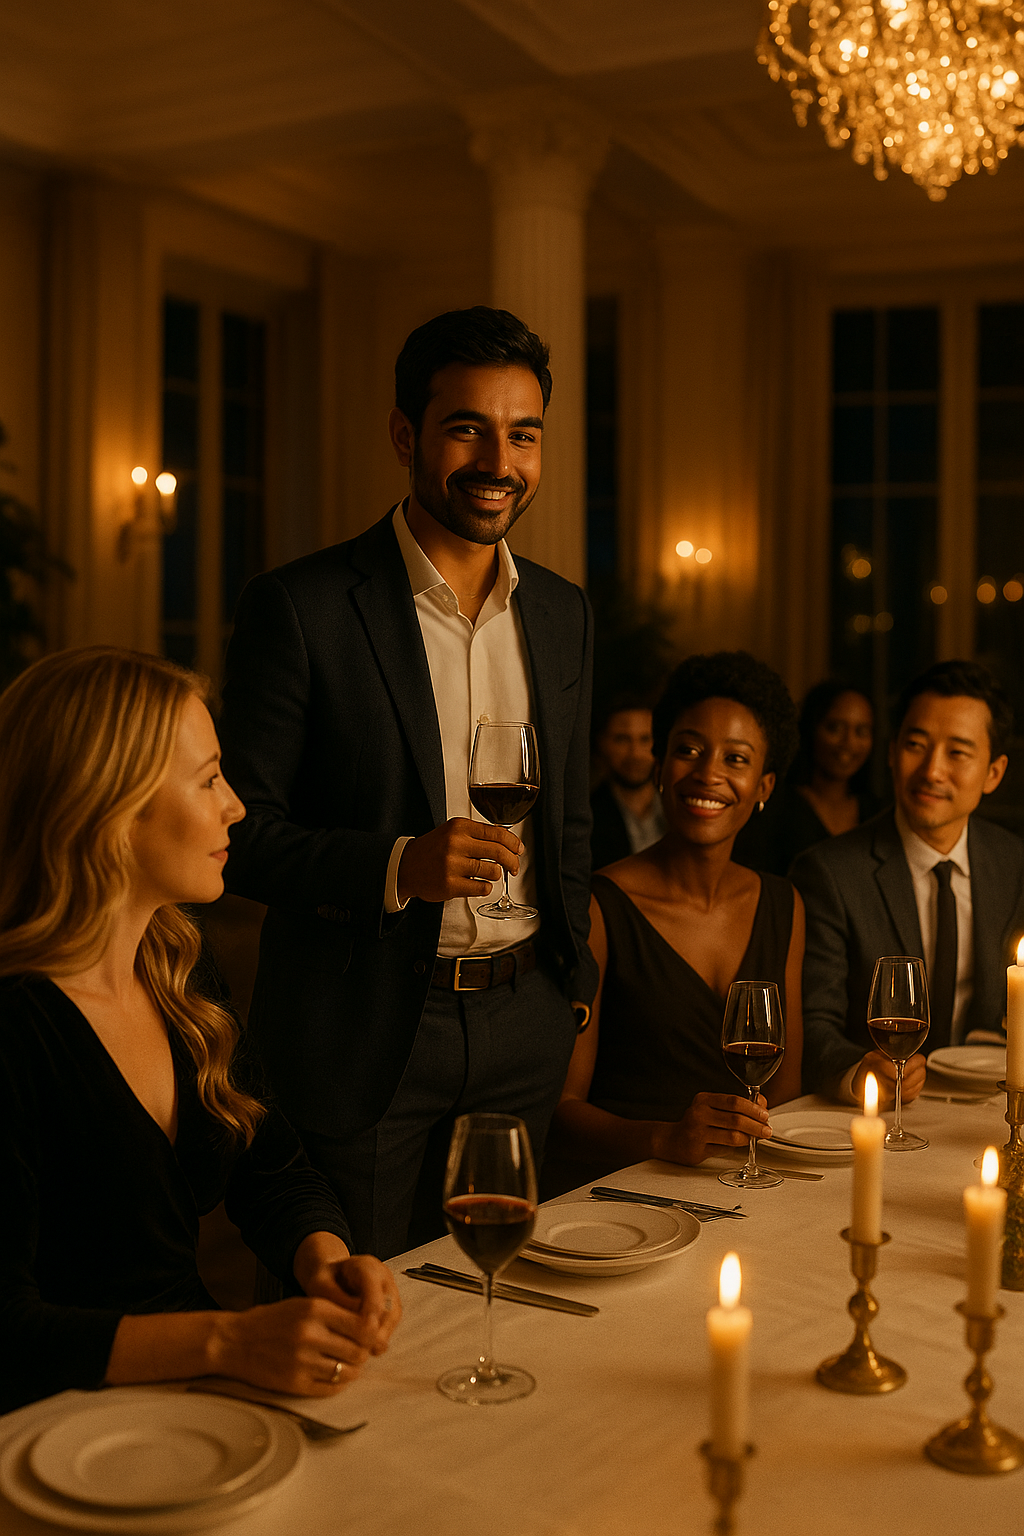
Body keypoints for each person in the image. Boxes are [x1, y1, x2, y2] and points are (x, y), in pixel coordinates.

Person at [218, 306, 596, 1260]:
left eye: (523, 433)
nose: (497, 459)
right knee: (358, 1326)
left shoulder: (561, 612)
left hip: (523, 1026)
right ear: (405, 436)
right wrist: (397, 866)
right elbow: (241, 837)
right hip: (365, 1030)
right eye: (467, 426)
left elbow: (573, 820)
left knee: (501, 1303)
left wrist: (570, 990)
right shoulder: (301, 608)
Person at [0, 647, 400, 1415]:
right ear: (111, 808)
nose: (237, 807)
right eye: (210, 778)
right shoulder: (15, 1029)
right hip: (54, 1433)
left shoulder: (175, 962)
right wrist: (231, 1341)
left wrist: (327, 1261)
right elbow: (6, 1333)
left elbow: (272, 1168)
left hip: (190, 1398)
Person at [548, 652, 804, 1188]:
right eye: (688, 749)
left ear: (764, 787)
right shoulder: (598, 905)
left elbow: (785, 1092)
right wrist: (665, 1139)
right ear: (660, 766)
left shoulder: (784, 905)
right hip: (620, 1193)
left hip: (741, 1188)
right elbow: (560, 1111)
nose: (708, 772)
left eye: (737, 759)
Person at [791, 659, 1024, 1104]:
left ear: (993, 773)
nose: (932, 770)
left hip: (987, 1106)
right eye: (916, 744)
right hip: (871, 1119)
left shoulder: (1012, 863)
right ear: (893, 750)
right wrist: (860, 1071)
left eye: (957, 752)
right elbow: (812, 1023)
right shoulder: (829, 872)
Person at [734, 680, 877, 876]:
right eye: (835, 728)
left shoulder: (877, 812)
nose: (849, 743)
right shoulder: (776, 806)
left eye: (861, 731)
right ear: (811, 728)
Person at [590, 698, 666, 871]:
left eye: (645, 739)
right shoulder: (587, 817)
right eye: (622, 739)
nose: (635, 753)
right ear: (602, 743)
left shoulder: (678, 806)